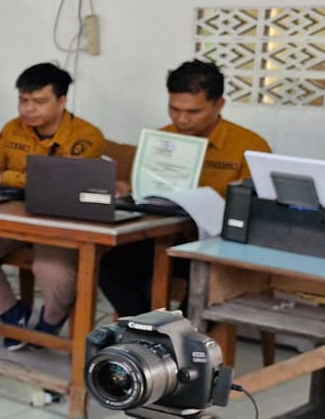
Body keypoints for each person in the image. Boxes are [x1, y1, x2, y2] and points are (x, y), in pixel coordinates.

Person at [99, 59, 270, 318]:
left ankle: (183, 338)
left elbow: (259, 209)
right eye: (174, 109)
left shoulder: (249, 146)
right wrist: (128, 188)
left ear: (219, 104)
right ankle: (151, 329)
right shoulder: (163, 138)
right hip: (165, 238)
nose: (181, 119)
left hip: (216, 248)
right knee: (110, 267)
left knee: (206, 287)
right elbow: (146, 191)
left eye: (193, 112)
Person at [0, 62, 105, 349]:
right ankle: (13, 315)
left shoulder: (86, 136)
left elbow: (60, 180)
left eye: (39, 101)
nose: (28, 109)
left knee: (52, 270)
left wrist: (6, 177)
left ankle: (49, 322)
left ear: (61, 101)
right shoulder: (13, 129)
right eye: (23, 100)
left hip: (59, 223)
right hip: (13, 218)